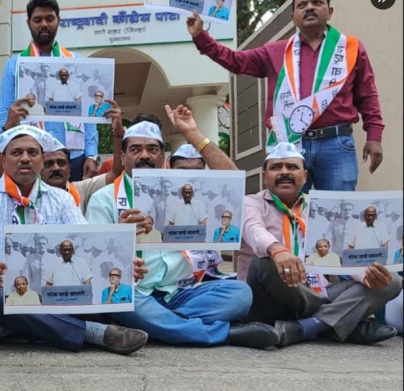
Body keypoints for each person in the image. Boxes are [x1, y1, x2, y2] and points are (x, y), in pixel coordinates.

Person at [87, 104, 279, 349]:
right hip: (135, 293)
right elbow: (96, 264)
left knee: (240, 294)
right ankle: (224, 334)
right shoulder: (104, 199)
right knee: (122, 300)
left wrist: (192, 134)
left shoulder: (184, 190)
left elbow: (233, 182)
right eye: (135, 149)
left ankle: (162, 325)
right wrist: (121, 238)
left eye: (152, 149)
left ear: (163, 158)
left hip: (179, 293)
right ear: (123, 157)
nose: (144, 155)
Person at [0, 124, 149, 355]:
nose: (25, 158)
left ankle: (4, 329)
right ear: (3, 161)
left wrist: (122, 262)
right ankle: (93, 332)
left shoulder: (62, 199)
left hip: (55, 292)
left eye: (32, 153)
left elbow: (87, 248)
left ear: (41, 160)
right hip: (3, 290)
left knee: (89, 292)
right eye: (16, 152)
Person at [188, 0, 384, 192]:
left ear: (330, 11)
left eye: (317, 3)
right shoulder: (275, 51)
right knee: (287, 210)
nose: (309, 7)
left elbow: (367, 95)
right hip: (289, 145)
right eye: (302, 5)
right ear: (293, 17)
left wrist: (374, 136)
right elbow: (236, 61)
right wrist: (200, 36)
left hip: (336, 143)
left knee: (337, 209)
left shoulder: (350, 48)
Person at [239, 142, 401, 347]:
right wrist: (277, 250)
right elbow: (254, 230)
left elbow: (340, 257)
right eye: (276, 167)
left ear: (305, 176)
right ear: (264, 176)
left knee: (391, 280)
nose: (284, 172)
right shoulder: (250, 202)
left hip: (316, 290)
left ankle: (308, 327)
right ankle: (342, 322)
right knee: (264, 261)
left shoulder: (321, 207)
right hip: (272, 296)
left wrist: (367, 276)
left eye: (292, 167)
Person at [0, 0, 99, 181]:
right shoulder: (15, 64)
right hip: (31, 156)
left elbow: (88, 113)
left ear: (58, 20)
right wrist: (1, 149)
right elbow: (5, 109)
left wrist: (91, 154)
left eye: (49, 19)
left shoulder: (75, 62)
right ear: (29, 23)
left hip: (72, 156)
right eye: (38, 19)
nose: (44, 24)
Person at [0, 98, 124, 215]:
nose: (56, 168)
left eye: (61, 163)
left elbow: (116, 173)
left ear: (69, 169)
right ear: (39, 166)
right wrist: (9, 126)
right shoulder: (24, 192)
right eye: (48, 164)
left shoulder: (81, 189)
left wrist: (118, 134)